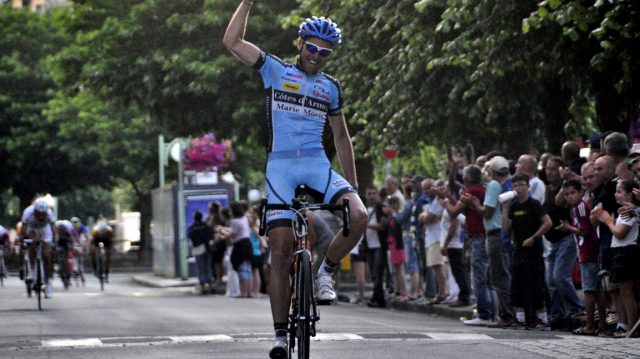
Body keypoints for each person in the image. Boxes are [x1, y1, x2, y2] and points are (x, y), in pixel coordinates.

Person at [223, 6, 367, 357]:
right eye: (312, 48)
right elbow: (232, 41)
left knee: (360, 216)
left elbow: (342, 138)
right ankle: (279, 336)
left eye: (325, 52)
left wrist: (353, 186)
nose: (317, 57)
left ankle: (325, 272)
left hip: (317, 165)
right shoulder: (275, 70)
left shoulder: (330, 87)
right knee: (281, 252)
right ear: (300, 44)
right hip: (281, 168)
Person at [440, 165, 492, 326]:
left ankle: (484, 314)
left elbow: (454, 212)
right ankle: (488, 312)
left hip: (478, 237)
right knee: (485, 276)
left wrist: (445, 201)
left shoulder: (472, 192)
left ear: (467, 180)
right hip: (484, 236)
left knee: (478, 276)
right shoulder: (482, 190)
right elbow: (463, 209)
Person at [466, 156, 515, 326]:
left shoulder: (494, 185)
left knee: (499, 277)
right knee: (501, 275)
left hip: (495, 234)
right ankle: (505, 313)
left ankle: (506, 315)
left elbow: (487, 212)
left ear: (492, 171)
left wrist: (473, 203)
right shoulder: (508, 184)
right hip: (501, 234)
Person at [502, 173, 552, 330]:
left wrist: (534, 237)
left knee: (535, 286)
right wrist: (505, 208)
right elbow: (505, 226)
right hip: (518, 251)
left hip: (533, 252)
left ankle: (542, 319)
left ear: (528, 186)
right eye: (515, 185)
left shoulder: (534, 204)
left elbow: (547, 223)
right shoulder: (514, 206)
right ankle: (520, 319)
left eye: (521, 184)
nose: (518, 188)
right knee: (517, 286)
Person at [557, 179, 606, 336]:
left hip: (588, 251)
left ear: (580, 192)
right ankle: (602, 324)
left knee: (589, 290)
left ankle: (590, 325)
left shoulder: (581, 207)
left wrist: (568, 228)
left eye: (572, 193)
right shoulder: (575, 208)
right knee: (596, 290)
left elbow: (584, 230)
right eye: (566, 194)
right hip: (585, 251)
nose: (569, 197)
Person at [594, 180, 640, 337]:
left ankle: (632, 328)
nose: (616, 194)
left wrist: (607, 220)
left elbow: (620, 233)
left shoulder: (630, 211)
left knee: (627, 292)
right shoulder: (623, 211)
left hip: (626, 252)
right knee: (621, 291)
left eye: (619, 191)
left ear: (629, 194)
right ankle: (625, 325)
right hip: (619, 251)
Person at [544, 156, 584, 329]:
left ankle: (578, 310)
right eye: (547, 168)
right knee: (551, 282)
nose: (549, 172)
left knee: (560, 277)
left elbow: (559, 201)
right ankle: (558, 315)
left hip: (566, 239)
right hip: (554, 242)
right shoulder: (548, 189)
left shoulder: (566, 189)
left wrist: (567, 178)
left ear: (561, 170)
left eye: (553, 169)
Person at [20, 198, 57, 298]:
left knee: (46, 255)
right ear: (35, 211)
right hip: (32, 229)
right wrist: (22, 241)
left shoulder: (49, 213)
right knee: (32, 244)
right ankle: (31, 271)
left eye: (43, 214)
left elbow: (54, 230)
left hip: (45, 230)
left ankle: (48, 283)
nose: (41, 216)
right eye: (38, 213)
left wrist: (54, 242)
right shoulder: (28, 212)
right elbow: (23, 230)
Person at [218, 202, 253, 298]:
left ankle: (243, 292)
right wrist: (224, 229)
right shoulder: (244, 219)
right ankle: (249, 292)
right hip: (247, 244)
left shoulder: (235, 221)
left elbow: (232, 235)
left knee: (241, 269)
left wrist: (221, 231)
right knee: (247, 269)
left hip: (240, 246)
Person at [364, 186, 388, 308]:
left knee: (377, 273)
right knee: (373, 274)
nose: (372, 196)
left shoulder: (381, 209)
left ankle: (375, 298)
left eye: (374, 193)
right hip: (369, 246)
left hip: (379, 245)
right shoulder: (363, 209)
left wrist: (367, 225)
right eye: (370, 194)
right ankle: (380, 299)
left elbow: (383, 226)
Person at [382, 196, 408, 301]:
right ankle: (398, 291)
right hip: (393, 245)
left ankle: (404, 292)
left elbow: (397, 231)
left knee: (399, 270)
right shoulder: (392, 217)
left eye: (387, 205)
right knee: (396, 270)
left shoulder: (395, 216)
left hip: (397, 245)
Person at [188, 211, 214, 294]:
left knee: (200, 267)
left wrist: (190, 252)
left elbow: (191, 241)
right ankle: (210, 284)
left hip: (198, 249)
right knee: (208, 267)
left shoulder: (192, 228)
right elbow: (211, 236)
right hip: (207, 248)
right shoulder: (206, 226)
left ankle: (203, 286)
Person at [205, 201, 226, 289]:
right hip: (221, 243)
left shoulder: (212, 219)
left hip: (215, 243)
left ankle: (218, 279)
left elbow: (208, 228)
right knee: (219, 261)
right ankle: (219, 278)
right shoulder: (222, 218)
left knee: (216, 262)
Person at [70, 217, 88, 285]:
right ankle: (75, 269)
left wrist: (85, 246)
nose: (75, 225)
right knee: (75, 254)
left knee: (80, 257)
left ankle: (80, 272)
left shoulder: (82, 227)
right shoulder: (71, 229)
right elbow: (71, 238)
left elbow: (85, 236)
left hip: (80, 242)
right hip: (74, 242)